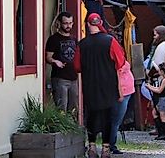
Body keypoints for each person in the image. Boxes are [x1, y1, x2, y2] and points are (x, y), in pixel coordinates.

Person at [73, 13, 126, 158]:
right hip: (109, 84)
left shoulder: (82, 44)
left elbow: (77, 66)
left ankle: (91, 146)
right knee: (108, 116)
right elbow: (120, 62)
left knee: (92, 115)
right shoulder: (110, 41)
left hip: (90, 84)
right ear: (100, 23)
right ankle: (105, 149)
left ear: (88, 25)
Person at [45, 11, 78, 113]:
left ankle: (72, 129)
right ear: (59, 23)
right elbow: (48, 57)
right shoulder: (53, 39)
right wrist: (55, 61)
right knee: (61, 108)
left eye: (70, 23)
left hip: (74, 78)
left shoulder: (74, 39)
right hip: (60, 78)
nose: (68, 26)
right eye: (65, 23)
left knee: (73, 108)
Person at [107, 59, 135, 155]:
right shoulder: (115, 61)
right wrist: (120, 93)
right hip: (122, 92)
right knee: (116, 120)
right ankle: (111, 144)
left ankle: (110, 143)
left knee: (117, 120)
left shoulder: (120, 58)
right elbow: (117, 75)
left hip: (127, 91)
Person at [146, 62, 165, 140]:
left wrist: (150, 88)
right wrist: (151, 86)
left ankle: (164, 133)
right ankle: (160, 131)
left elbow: (159, 90)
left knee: (162, 116)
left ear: (162, 71)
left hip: (163, 99)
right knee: (154, 112)